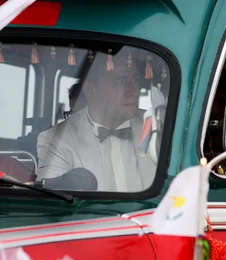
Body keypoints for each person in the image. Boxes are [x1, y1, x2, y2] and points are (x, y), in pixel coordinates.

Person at [36, 51, 156, 192]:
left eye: (135, 80)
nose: (133, 90)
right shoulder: (56, 139)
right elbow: (56, 202)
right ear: (91, 89)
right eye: (121, 82)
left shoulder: (157, 126)